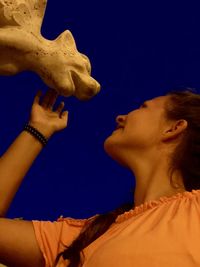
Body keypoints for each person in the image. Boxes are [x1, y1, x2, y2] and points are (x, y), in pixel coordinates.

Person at [0, 87, 200, 267]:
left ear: (173, 128)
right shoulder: (83, 238)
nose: (120, 117)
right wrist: (37, 129)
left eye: (143, 107)